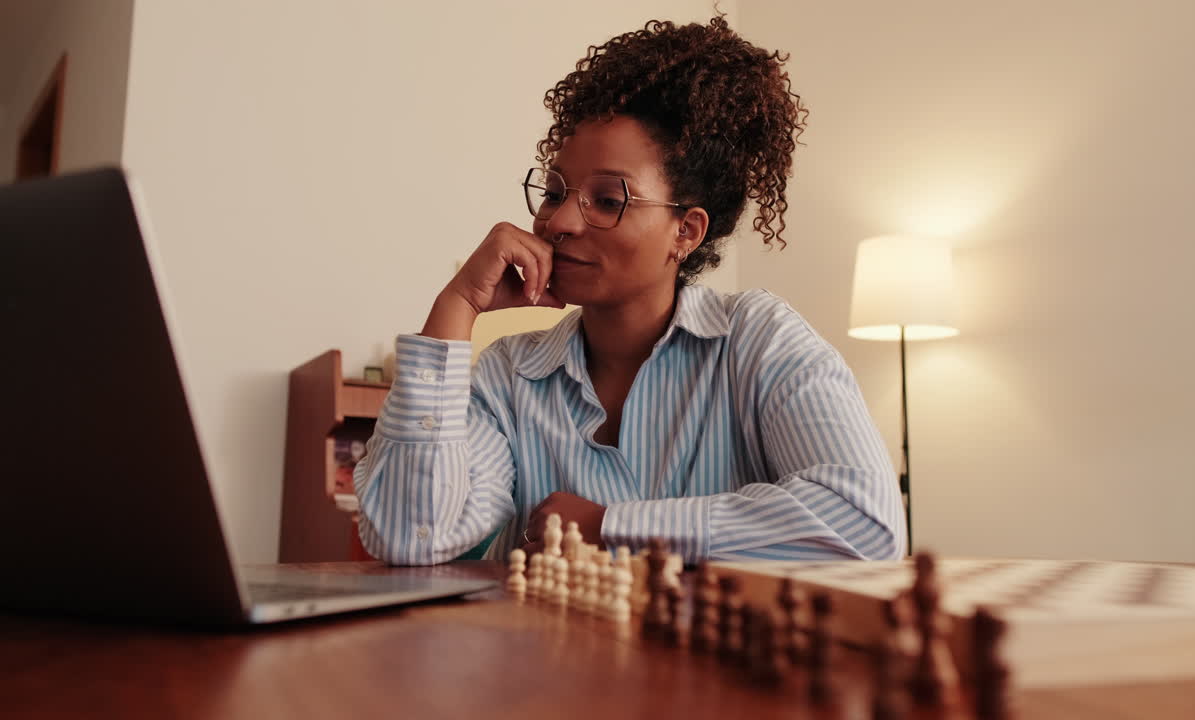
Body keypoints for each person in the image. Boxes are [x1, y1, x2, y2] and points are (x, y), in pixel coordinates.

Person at [354, 17, 905, 566]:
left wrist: (608, 526)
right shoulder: (508, 379)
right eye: (554, 192)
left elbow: (865, 524)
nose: (560, 220)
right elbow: (411, 537)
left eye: (607, 199)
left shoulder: (758, 341)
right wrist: (458, 306)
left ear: (685, 232)